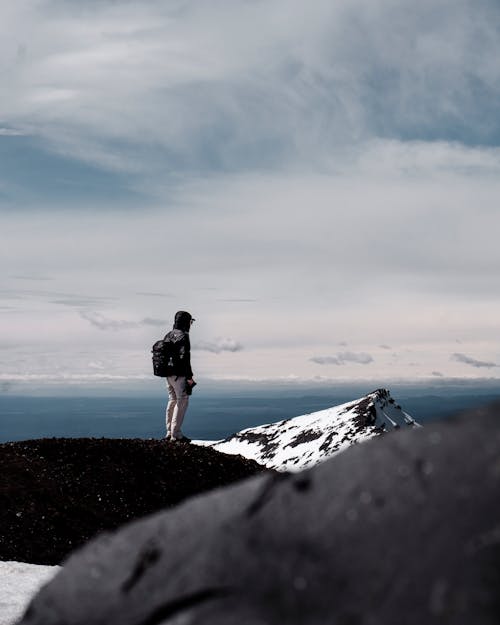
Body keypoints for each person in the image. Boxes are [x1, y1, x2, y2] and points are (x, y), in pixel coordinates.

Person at [164, 310, 196, 442]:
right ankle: (176, 434)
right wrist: (189, 376)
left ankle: (169, 431)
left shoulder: (169, 335)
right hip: (179, 374)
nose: (191, 324)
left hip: (167, 374)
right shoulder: (183, 336)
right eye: (190, 321)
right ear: (185, 322)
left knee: (172, 399)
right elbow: (185, 358)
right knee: (182, 399)